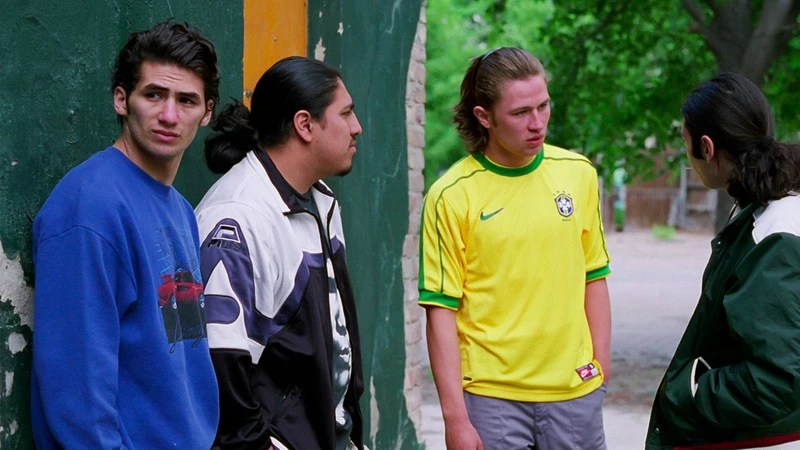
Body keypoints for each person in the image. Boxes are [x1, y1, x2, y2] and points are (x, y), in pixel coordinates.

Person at [30, 20, 220, 449]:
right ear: (121, 99)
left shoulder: (181, 209)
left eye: (186, 100)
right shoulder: (89, 206)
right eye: (153, 94)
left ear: (206, 112)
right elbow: (76, 394)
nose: (169, 115)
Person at [419, 47, 612, 449]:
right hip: (491, 400)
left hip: (574, 394)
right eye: (521, 112)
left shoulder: (578, 174)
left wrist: (601, 369)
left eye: (543, 106)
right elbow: (440, 311)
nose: (537, 123)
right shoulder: (451, 195)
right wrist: (455, 418)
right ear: (484, 116)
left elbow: (594, 276)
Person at [195, 56, 365, 450]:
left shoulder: (321, 200)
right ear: (305, 125)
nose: (356, 127)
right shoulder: (237, 216)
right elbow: (221, 368)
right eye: (346, 113)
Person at [646, 73, 800, 449]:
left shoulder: (773, 233)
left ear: (707, 146)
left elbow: (777, 380)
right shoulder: (763, 207)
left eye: (685, 143)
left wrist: (687, 393)